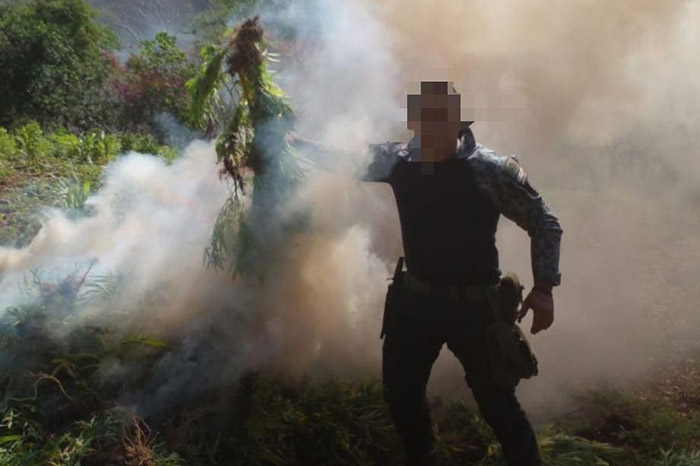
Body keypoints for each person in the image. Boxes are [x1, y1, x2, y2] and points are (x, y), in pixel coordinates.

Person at [293, 81, 562, 466]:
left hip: (475, 312)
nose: (432, 129)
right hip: (416, 306)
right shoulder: (399, 162)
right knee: (401, 395)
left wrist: (544, 288)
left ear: (458, 122)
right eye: (425, 120)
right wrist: (288, 143)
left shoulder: (488, 169)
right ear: (414, 123)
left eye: (442, 119)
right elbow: (343, 159)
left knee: (498, 406)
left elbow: (543, 222)